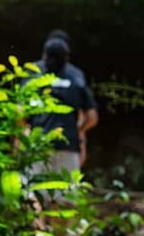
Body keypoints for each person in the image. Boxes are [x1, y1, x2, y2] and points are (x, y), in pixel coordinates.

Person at [28, 34, 99, 177]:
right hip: (68, 145)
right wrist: (78, 134)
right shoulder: (76, 76)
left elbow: (21, 116)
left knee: (35, 196)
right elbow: (92, 117)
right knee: (66, 196)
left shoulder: (33, 73)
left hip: (38, 144)